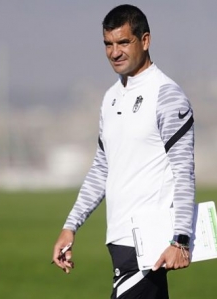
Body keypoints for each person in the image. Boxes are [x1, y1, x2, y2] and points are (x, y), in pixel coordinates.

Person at [52, 4, 195, 299]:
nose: (114, 52)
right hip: (119, 241)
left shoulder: (166, 95)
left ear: (145, 41)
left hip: (148, 245)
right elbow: (102, 168)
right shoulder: (111, 97)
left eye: (123, 42)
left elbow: (183, 171)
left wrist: (180, 240)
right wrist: (70, 226)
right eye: (108, 44)